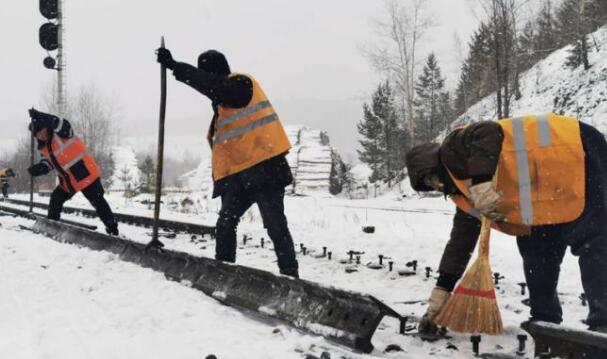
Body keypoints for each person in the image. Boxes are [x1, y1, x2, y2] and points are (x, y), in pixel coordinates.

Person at [405, 113, 607, 334]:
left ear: (434, 166)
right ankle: (544, 321)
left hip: (576, 149)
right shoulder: (461, 193)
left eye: (428, 179)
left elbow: (488, 131)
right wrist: (441, 293)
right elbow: (460, 243)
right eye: (426, 186)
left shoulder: (454, 150)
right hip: (545, 190)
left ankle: (603, 321)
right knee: (536, 251)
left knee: (593, 242)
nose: (434, 187)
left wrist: (481, 183)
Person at [156, 48, 299, 278]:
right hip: (241, 177)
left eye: (207, 74)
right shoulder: (221, 108)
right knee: (225, 223)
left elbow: (214, 86)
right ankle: (223, 270)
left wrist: (176, 67)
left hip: (266, 169)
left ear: (215, 73)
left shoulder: (240, 85)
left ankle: (290, 273)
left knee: (274, 224)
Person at [27, 108, 119, 236]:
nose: (40, 135)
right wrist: (40, 168)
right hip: (69, 181)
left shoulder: (62, 133)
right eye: (37, 134)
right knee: (56, 199)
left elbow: (60, 123)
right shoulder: (44, 148)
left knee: (97, 200)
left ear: (46, 127)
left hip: (85, 174)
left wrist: (42, 116)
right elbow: (49, 163)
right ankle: (52, 225)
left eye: (41, 130)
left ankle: (112, 228)